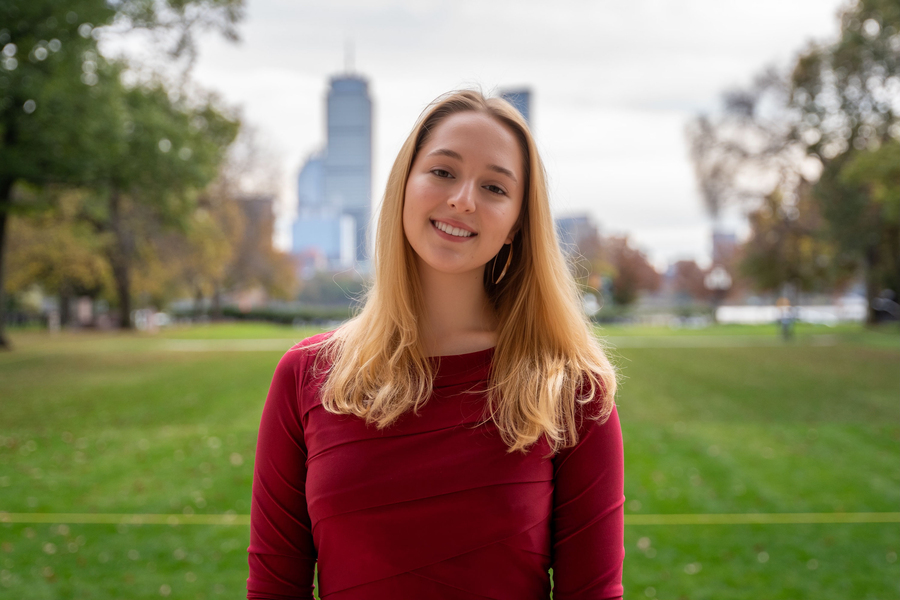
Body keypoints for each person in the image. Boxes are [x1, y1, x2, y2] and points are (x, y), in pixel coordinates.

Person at [247, 90, 624, 600]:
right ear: (405, 184)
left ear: (516, 225)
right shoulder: (305, 375)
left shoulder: (573, 391)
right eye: (443, 172)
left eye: (494, 187)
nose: (463, 199)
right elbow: (274, 588)